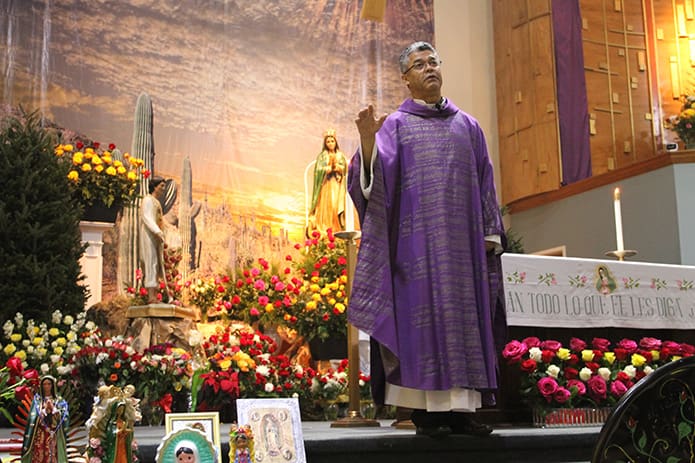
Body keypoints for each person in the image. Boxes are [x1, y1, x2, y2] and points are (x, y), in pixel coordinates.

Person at [348, 41, 507, 438]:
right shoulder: (396, 127)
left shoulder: (468, 126)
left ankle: (463, 412)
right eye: (418, 65)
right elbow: (370, 185)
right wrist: (368, 144)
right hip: (413, 251)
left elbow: (486, 181)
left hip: (463, 251)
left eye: (433, 61)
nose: (429, 68)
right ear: (406, 79)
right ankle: (425, 413)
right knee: (423, 323)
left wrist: (490, 234)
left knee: (463, 321)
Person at [308, 129, 348, 236]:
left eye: (332, 141)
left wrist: (338, 168)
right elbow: (318, 170)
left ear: (336, 142)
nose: (330, 143)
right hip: (325, 185)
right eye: (328, 141)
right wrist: (327, 169)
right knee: (326, 207)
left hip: (336, 185)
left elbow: (346, 170)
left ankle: (336, 230)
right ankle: (326, 230)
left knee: (336, 206)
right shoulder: (322, 156)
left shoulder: (340, 155)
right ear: (325, 144)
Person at [21, 375, 70, 463]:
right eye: (44, 384)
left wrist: (54, 411)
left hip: (53, 434)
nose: (47, 386)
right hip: (40, 434)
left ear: (53, 385)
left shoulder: (59, 400)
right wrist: (44, 411)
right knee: (39, 455)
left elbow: (64, 416)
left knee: (53, 455)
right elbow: (33, 418)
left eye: (49, 384)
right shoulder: (37, 401)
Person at [139, 176, 168, 304]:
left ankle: (155, 296)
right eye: (161, 186)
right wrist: (157, 231)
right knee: (150, 263)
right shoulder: (147, 200)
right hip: (149, 235)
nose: (164, 188)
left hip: (156, 237)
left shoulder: (156, 202)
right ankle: (151, 297)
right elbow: (147, 217)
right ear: (154, 186)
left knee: (155, 264)